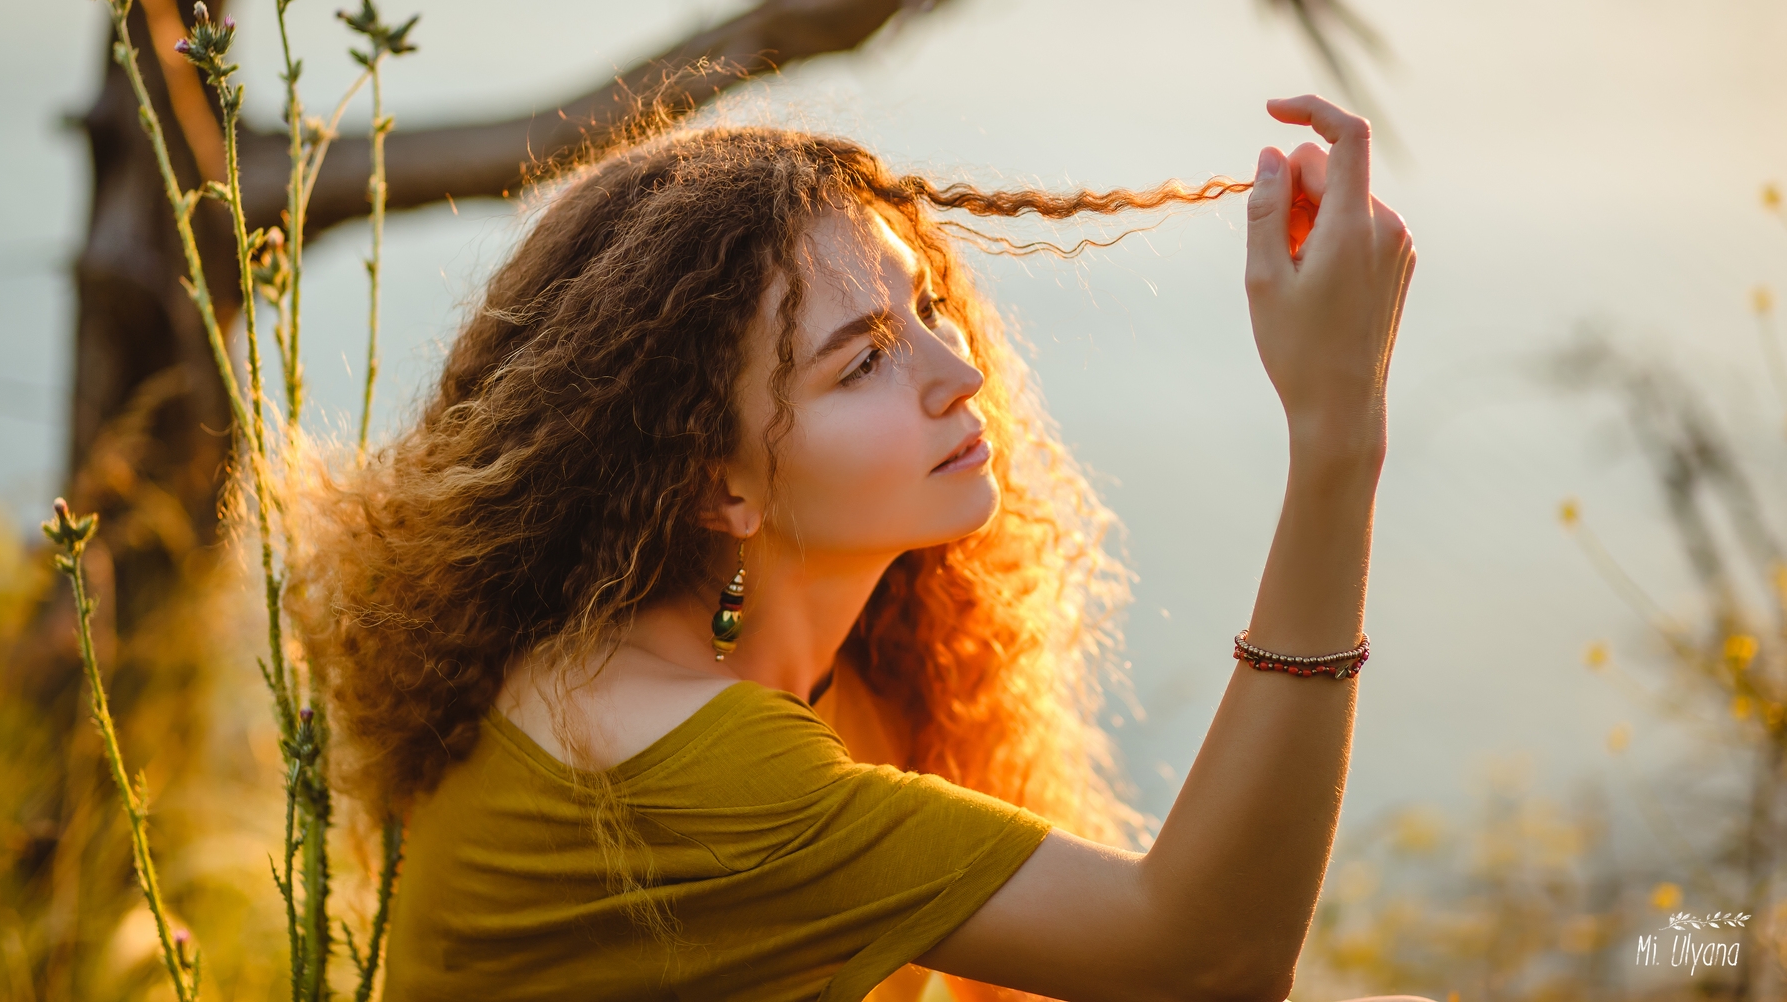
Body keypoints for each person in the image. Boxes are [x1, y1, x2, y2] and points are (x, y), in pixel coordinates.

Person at [289, 94, 1426, 1002]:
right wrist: (1336, 433)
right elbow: (1203, 961)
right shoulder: (668, 758)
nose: (960, 372)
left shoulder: (830, 663)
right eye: (865, 361)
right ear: (714, 484)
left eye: (926, 307)